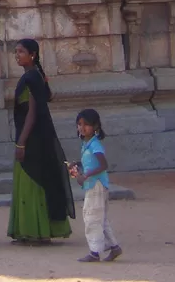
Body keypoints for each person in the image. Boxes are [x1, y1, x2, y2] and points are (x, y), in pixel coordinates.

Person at [8, 38, 75, 244]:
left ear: (32, 55)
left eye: (21, 52)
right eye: (16, 52)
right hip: (36, 136)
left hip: (33, 138)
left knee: (33, 180)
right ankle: (31, 229)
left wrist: (22, 142)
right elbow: (48, 96)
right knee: (34, 179)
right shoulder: (36, 76)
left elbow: (32, 112)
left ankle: (36, 230)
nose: (17, 55)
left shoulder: (31, 78)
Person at [69, 108, 122, 263]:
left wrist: (86, 175)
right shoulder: (87, 144)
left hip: (96, 185)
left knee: (91, 217)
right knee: (101, 218)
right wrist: (77, 166)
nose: (82, 127)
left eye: (86, 124)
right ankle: (114, 247)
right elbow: (90, 163)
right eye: (79, 124)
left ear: (95, 126)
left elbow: (103, 164)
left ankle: (95, 252)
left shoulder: (94, 145)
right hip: (95, 184)